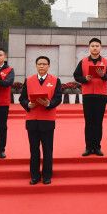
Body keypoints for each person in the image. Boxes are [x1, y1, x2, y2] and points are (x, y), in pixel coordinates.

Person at [20, 56, 63, 185]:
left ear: (48, 66)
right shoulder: (28, 80)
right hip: (32, 119)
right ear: (36, 65)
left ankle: (47, 175)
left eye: (44, 64)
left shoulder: (55, 80)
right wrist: (28, 104)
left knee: (47, 149)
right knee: (34, 149)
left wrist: (49, 103)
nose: (42, 66)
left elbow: (58, 98)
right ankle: (34, 175)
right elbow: (22, 98)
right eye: (39, 64)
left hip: (47, 120)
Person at [74, 38, 107, 156]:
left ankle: (97, 147)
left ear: (100, 48)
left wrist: (103, 75)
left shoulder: (106, 62)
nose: (95, 48)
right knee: (89, 122)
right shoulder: (83, 61)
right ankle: (88, 147)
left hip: (101, 95)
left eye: (97, 46)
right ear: (89, 47)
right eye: (93, 46)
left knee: (98, 121)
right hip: (88, 95)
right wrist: (84, 79)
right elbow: (76, 76)